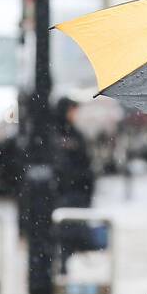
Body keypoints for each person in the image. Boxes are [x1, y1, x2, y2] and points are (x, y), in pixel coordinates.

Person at [54, 97, 96, 275]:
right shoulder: (52, 135)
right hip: (61, 194)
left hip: (76, 193)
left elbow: (86, 166)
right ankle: (61, 263)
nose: (74, 114)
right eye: (72, 110)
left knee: (71, 232)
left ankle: (64, 263)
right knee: (62, 232)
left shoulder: (77, 135)